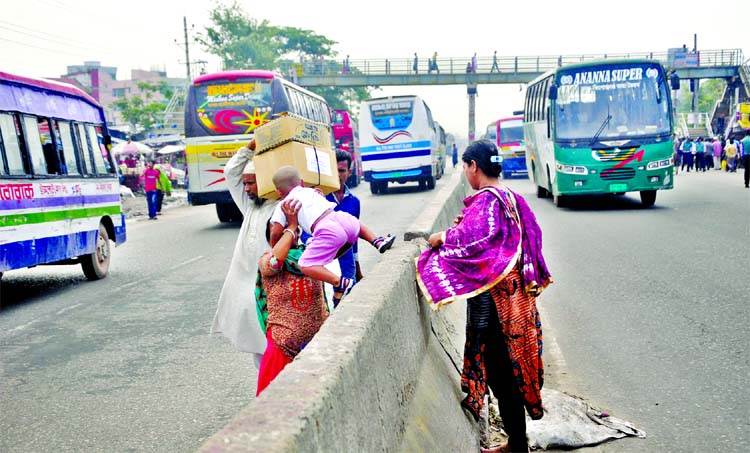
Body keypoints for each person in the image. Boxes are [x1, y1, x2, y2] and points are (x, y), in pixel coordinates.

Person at [416, 139, 552, 453]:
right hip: (517, 300)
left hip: (496, 306)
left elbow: (475, 240)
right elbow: (523, 237)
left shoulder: (487, 200)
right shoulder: (512, 197)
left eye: (466, 167)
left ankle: (518, 446)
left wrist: (442, 237)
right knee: (509, 369)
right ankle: (516, 442)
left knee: (501, 373)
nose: (465, 173)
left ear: (474, 166)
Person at [269, 166, 395, 305]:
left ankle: (339, 282)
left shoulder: (284, 205)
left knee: (306, 264)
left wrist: (275, 248)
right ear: (302, 183)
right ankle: (377, 241)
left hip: (326, 230)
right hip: (342, 220)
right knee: (357, 225)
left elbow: (275, 232)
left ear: (278, 191)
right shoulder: (312, 192)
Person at [211, 139, 280, 369]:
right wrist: (250, 148)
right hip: (248, 292)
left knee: (273, 347)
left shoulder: (280, 207)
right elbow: (231, 172)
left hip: (272, 289)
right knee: (256, 346)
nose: (247, 188)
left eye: (251, 183)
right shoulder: (249, 206)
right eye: (245, 183)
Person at [255, 199, 329, 396]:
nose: (292, 234)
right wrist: (293, 225)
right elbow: (275, 262)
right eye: (284, 230)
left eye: (295, 231)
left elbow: (341, 244)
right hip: (282, 347)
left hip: (318, 344)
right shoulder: (266, 260)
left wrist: (320, 209)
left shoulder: (311, 256)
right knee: (276, 406)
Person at [302, 151, 365, 308]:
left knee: (349, 306)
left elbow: (354, 237)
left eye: (342, 171)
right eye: (334, 170)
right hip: (323, 265)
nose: (338, 175)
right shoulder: (316, 198)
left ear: (349, 173)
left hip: (347, 264)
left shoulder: (354, 202)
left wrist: (357, 268)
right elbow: (304, 231)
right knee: (327, 307)